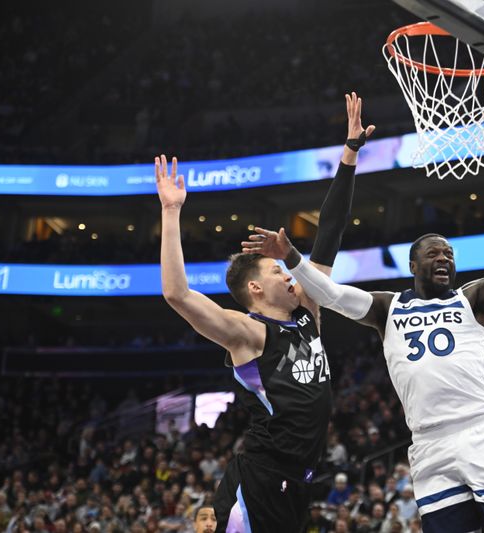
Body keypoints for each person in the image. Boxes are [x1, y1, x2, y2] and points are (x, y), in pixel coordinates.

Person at [243, 137, 484, 532]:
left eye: (449, 253)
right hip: (429, 445)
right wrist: (292, 257)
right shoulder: (387, 307)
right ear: (414, 264)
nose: (444, 258)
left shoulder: (474, 298)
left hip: (482, 432)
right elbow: (331, 294)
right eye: (434, 253)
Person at [156, 92, 374, 533]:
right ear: (255, 287)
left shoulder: (309, 309)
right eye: (279, 270)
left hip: (297, 481)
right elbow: (177, 294)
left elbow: (329, 232)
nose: (292, 276)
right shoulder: (248, 333)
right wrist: (171, 212)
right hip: (258, 480)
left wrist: (349, 153)